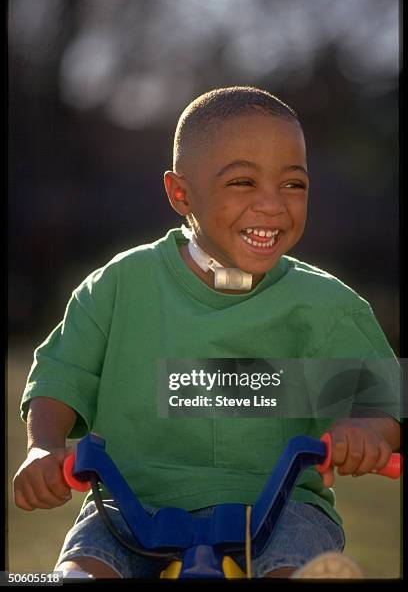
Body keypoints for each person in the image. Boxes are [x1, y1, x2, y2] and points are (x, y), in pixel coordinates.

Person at [13, 86, 400, 579]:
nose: (272, 206)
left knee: (296, 562)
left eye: (293, 185)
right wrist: (44, 445)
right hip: (130, 508)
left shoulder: (326, 308)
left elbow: (383, 405)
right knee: (81, 572)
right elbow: (60, 376)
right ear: (181, 194)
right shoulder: (118, 287)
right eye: (242, 182)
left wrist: (364, 432)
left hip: (280, 512)